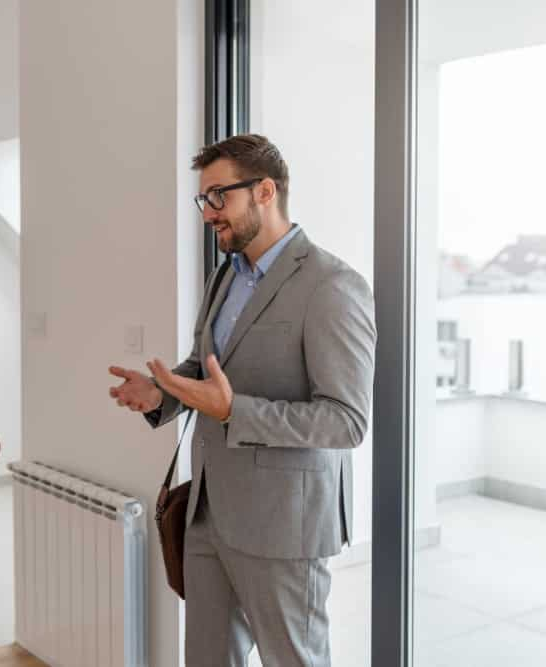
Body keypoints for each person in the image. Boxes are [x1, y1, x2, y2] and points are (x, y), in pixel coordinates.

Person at [108, 134, 376, 666]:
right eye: (203, 200)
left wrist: (235, 412)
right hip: (208, 514)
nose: (208, 213)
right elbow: (204, 370)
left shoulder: (331, 285)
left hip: (284, 524)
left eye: (217, 197)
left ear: (265, 192)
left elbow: (346, 422)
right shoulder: (223, 276)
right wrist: (161, 391)